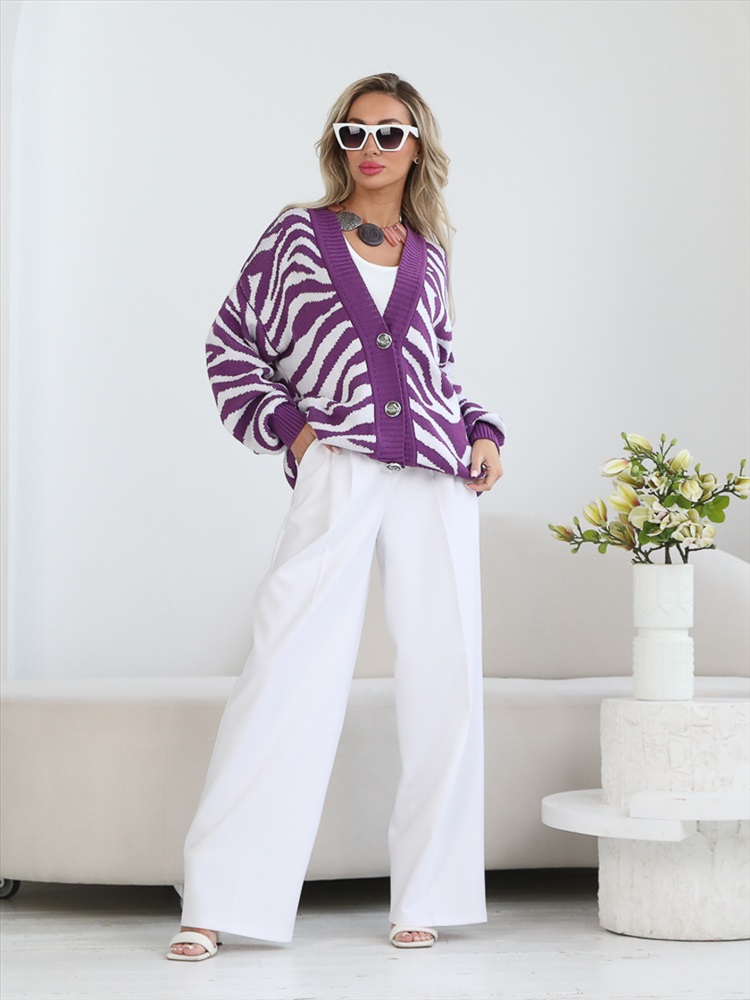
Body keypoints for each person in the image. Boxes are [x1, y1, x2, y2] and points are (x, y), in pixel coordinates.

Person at [167, 72, 505, 962]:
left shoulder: (427, 253)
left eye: (389, 133)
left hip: (437, 476)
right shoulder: (298, 236)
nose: (371, 148)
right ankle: (218, 899)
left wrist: (480, 429)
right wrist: (294, 430)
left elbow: (437, 370)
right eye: (354, 133)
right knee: (286, 668)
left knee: (446, 679)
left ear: (417, 146)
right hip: (341, 467)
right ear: (337, 144)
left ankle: (426, 894)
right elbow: (231, 342)